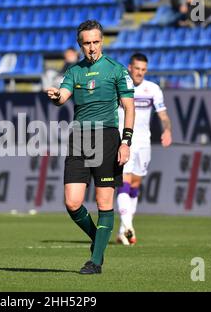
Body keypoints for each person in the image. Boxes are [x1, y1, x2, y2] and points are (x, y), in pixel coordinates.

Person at [46, 20, 135, 274]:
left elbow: (129, 108)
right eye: (87, 43)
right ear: (80, 45)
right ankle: (98, 240)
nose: (92, 48)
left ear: (102, 42)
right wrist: (56, 98)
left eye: (96, 42)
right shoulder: (74, 72)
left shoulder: (117, 70)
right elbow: (63, 95)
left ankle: (95, 261)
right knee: (72, 202)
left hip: (107, 138)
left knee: (103, 201)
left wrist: (126, 142)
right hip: (80, 137)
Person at [116, 53, 172, 246]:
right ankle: (129, 225)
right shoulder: (119, 86)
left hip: (143, 143)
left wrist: (167, 130)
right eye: (136, 68)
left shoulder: (152, 89)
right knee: (123, 182)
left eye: (143, 70)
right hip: (123, 141)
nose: (139, 73)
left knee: (135, 185)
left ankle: (124, 230)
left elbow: (163, 115)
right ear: (129, 68)